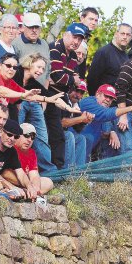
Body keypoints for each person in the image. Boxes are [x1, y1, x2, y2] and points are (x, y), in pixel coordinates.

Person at [45, 23, 88, 168]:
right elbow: (57, 76)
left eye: (80, 40)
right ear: (65, 34)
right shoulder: (55, 48)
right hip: (49, 95)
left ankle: (70, 170)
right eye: (74, 37)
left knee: (68, 134)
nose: (76, 42)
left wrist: (70, 79)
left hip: (62, 95)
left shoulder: (74, 56)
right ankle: (58, 170)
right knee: (57, 134)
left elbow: (69, 80)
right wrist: (72, 79)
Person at [0, 53, 59, 122]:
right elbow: (0, 90)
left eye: (14, 67)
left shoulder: (10, 82)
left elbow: (28, 95)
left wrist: (47, 99)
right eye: (8, 66)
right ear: (0, 65)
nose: (11, 69)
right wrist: (22, 95)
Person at [78, 84, 132, 160]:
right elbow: (106, 114)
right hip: (74, 147)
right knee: (88, 138)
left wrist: (112, 132)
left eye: (111, 98)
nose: (108, 100)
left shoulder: (104, 109)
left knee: (112, 140)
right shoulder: (89, 102)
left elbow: (105, 132)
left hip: (87, 151)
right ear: (97, 94)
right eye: (106, 96)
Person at [86, 23, 132, 95]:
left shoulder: (126, 57)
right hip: (102, 102)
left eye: (128, 34)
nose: (125, 37)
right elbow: (92, 79)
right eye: (122, 33)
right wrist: (97, 100)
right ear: (116, 34)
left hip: (118, 102)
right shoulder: (104, 52)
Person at [12, 123, 55, 198]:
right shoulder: (11, 148)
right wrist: (27, 184)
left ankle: (29, 193)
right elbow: (5, 174)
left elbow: (34, 175)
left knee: (48, 182)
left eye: (32, 137)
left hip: (26, 183)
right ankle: (26, 192)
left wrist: (36, 188)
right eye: (27, 136)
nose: (29, 140)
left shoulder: (31, 152)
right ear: (18, 135)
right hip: (13, 181)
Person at [11, 12, 50, 86]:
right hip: (23, 91)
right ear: (23, 27)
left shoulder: (44, 44)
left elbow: (48, 70)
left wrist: (45, 91)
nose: (34, 30)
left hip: (42, 91)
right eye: (31, 27)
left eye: (37, 27)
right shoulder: (15, 44)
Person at [62, 83, 93, 168]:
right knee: (69, 135)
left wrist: (85, 121)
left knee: (81, 138)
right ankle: (68, 173)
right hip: (50, 133)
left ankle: (78, 172)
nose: (78, 95)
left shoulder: (76, 105)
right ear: (70, 89)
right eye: (77, 90)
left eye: (81, 92)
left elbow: (77, 128)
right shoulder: (63, 99)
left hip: (61, 134)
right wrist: (81, 119)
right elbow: (62, 123)